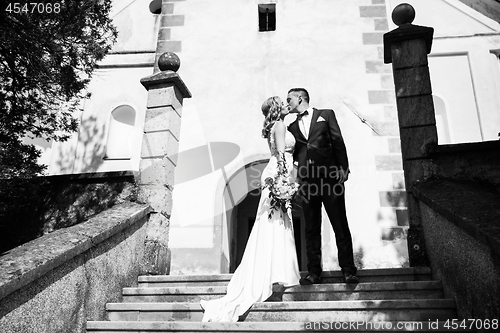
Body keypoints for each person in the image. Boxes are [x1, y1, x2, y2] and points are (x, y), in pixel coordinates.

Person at [200, 96, 300, 322]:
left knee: (272, 226)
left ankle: (272, 278)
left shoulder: (275, 126)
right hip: (278, 175)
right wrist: (286, 181)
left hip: (273, 173)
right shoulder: (281, 125)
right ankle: (273, 280)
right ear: (277, 108)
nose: (286, 104)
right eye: (282, 102)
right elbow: (283, 155)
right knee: (276, 226)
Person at [286, 87, 358, 285]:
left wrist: (343, 167)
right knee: (311, 228)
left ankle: (348, 270)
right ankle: (314, 272)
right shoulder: (291, 127)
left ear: (300, 98)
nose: (287, 103)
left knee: (340, 224)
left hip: (330, 178)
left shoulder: (326, 115)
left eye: (289, 99)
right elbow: (295, 154)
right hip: (307, 182)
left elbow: (337, 140)